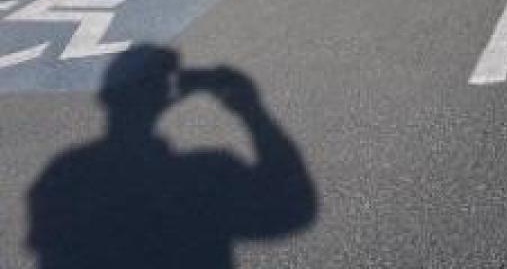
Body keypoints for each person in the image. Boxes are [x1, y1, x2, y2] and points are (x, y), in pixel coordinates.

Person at [27, 45, 317, 269]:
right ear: (169, 97)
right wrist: (253, 112)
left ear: (108, 98)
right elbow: (293, 210)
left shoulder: (66, 171)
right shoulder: (207, 172)